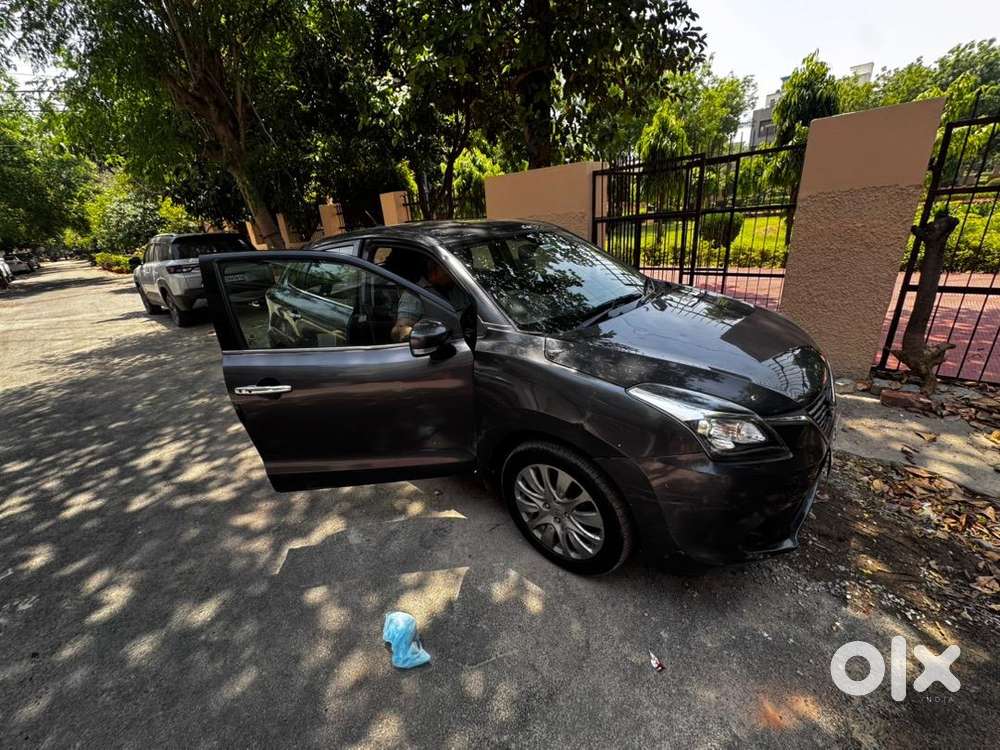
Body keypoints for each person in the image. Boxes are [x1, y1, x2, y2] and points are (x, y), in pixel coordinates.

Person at [392, 257, 469, 342]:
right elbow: (401, 328)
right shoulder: (414, 295)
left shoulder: (459, 288)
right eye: (449, 272)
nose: (454, 276)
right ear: (433, 270)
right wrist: (411, 336)